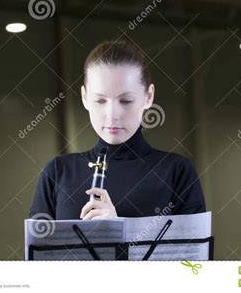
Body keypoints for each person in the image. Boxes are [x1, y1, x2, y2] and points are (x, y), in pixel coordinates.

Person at [29, 41, 206, 220]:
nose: (112, 115)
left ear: (149, 96)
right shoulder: (57, 172)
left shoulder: (176, 172)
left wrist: (117, 230)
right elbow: (34, 247)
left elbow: (193, 248)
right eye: (100, 101)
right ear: (84, 97)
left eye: (126, 100)